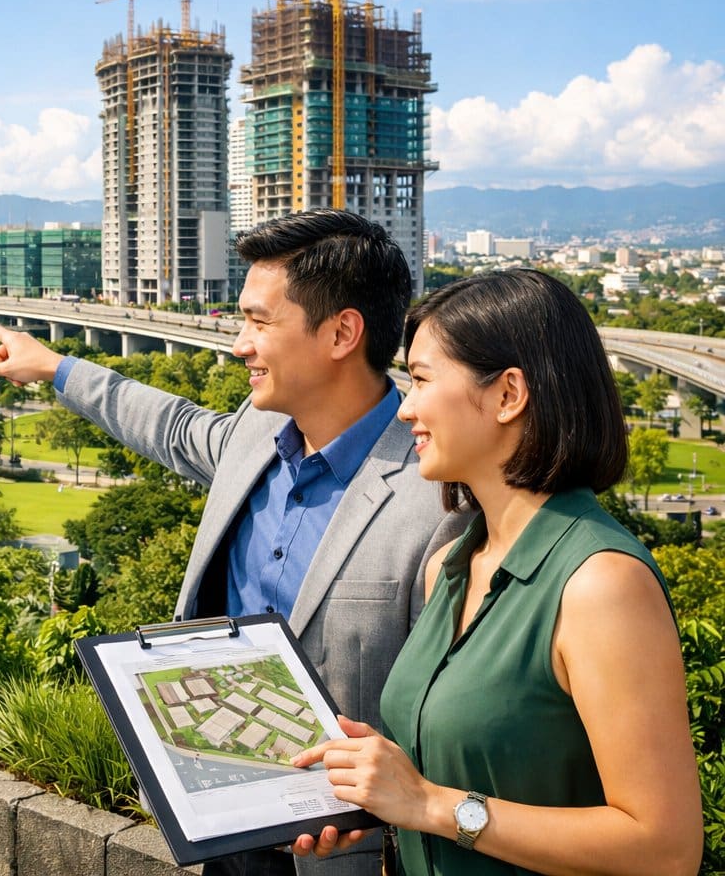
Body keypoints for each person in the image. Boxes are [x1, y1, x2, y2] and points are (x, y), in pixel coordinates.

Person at [0, 209, 469, 876]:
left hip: (344, 854)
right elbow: (170, 425)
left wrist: (392, 825)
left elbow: (454, 716)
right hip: (226, 831)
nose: (239, 345)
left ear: (342, 333)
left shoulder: (438, 494)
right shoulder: (255, 431)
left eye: (259, 322)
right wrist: (55, 367)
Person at [289, 269, 702, 875]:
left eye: (422, 380)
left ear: (509, 394)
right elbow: (471, 776)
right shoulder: (450, 566)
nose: (406, 409)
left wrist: (429, 804)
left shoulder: (600, 584)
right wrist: (377, 789)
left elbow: (664, 850)